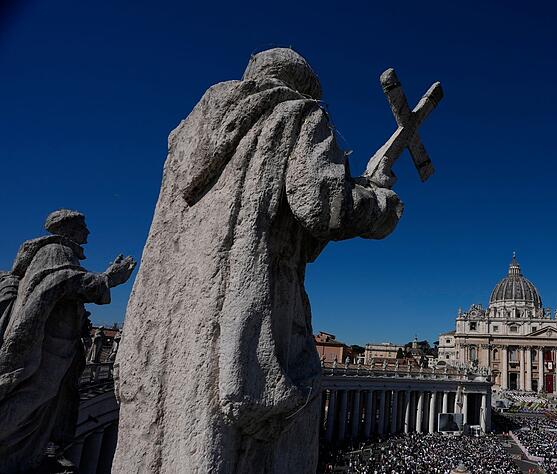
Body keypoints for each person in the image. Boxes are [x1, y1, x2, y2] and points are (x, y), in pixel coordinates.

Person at [113, 48, 403, 473]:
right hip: (242, 313)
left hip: (168, 322)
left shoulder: (186, 137)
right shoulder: (297, 113)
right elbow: (322, 204)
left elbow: (294, 230)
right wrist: (380, 202)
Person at [0, 209, 134, 472]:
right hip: (47, 347)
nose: (88, 233)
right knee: (31, 398)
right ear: (68, 228)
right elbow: (57, 282)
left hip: (56, 345)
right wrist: (108, 279)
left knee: (42, 402)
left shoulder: (60, 251)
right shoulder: (56, 250)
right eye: (83, 226)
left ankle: (27, 453)